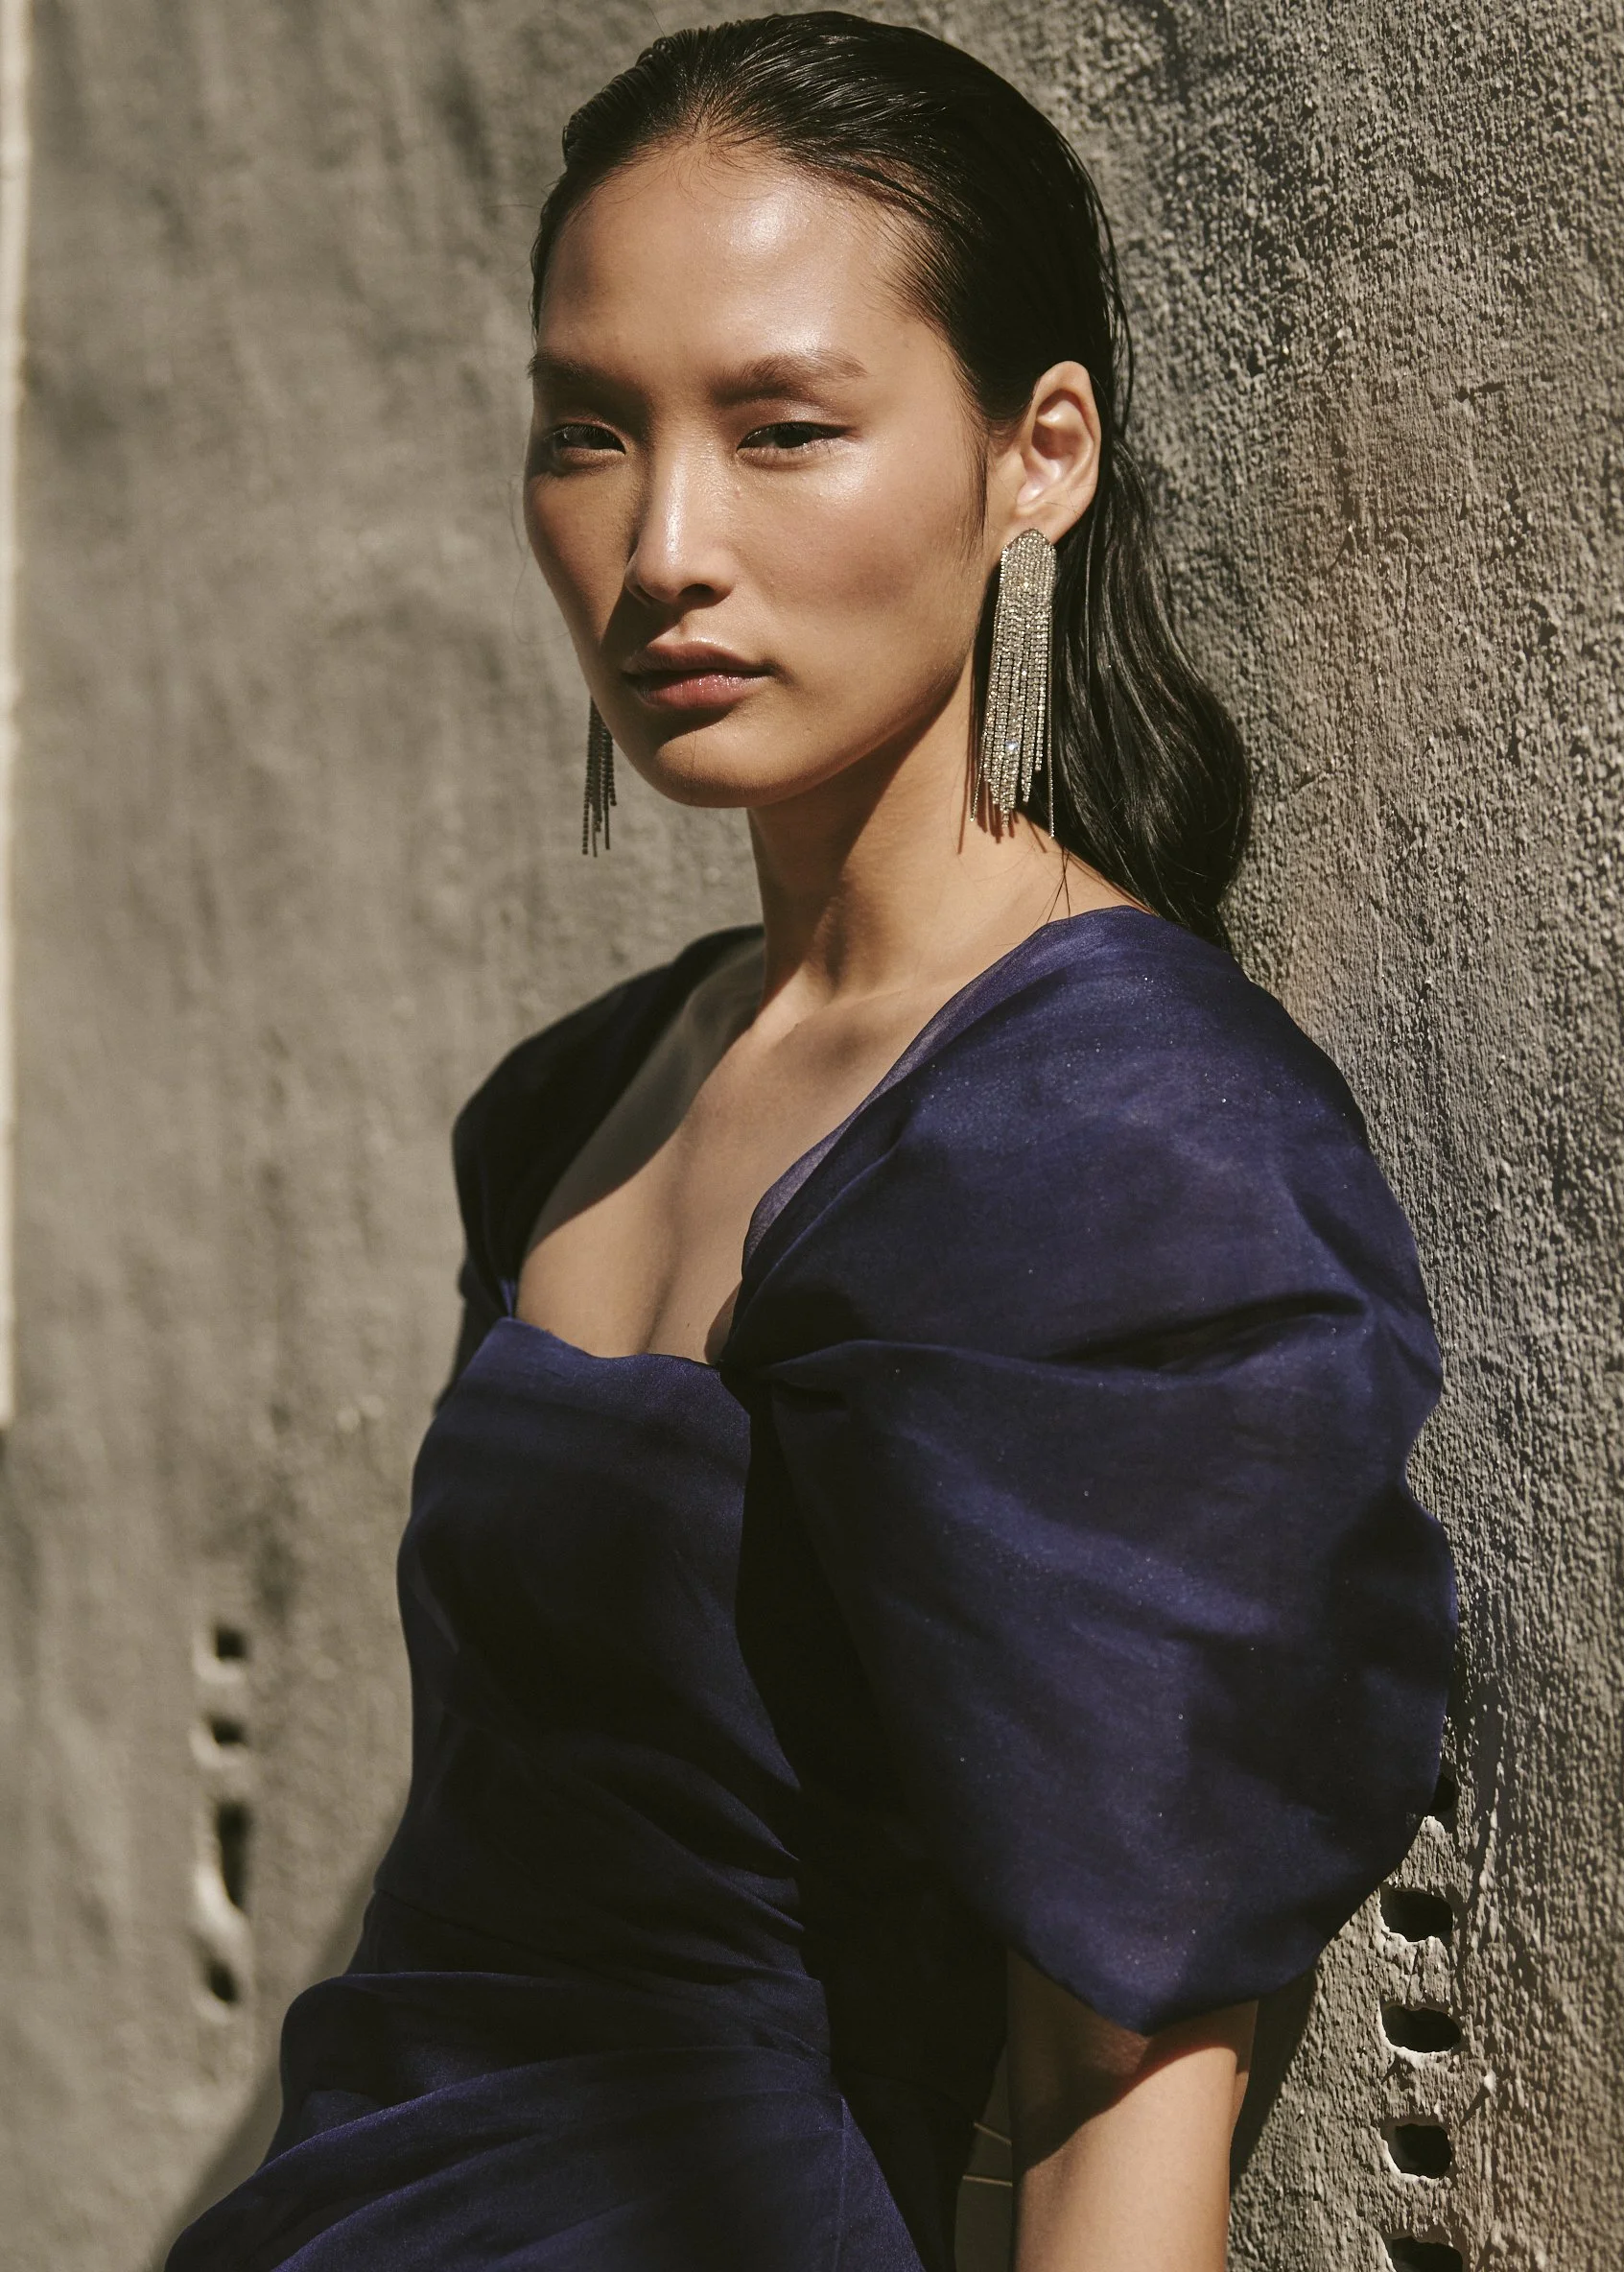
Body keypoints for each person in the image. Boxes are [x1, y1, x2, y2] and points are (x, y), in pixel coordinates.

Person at [168, 15, 1455, 2270]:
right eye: (587, 435)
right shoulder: (582, 1093)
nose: (662, 547)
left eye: (782, 430)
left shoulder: (1113, 1132)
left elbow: (1113, 2083)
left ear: (1033, 451)